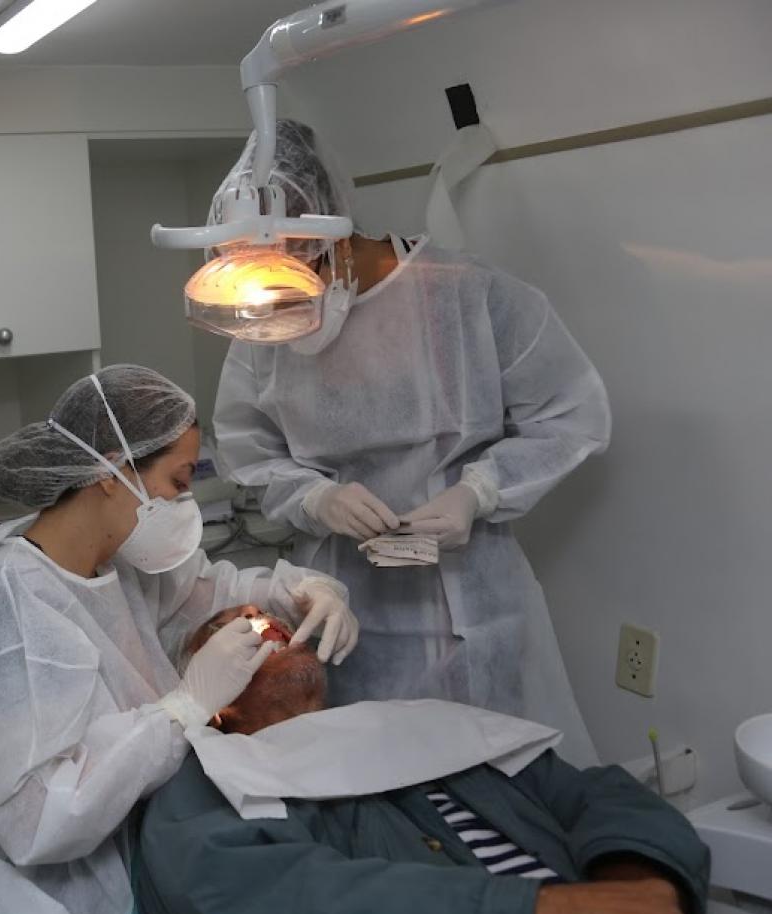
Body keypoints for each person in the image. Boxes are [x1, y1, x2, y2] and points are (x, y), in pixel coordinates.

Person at [0, 364, 358, 914]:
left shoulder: (111, 559)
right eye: (179, 481)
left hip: (134, 835)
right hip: (50, 890)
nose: (184, 502)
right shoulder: (16, 613)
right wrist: (181, 711)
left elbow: (206, 589)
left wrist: (299, 592)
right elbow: (36, 819)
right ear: (113, 472)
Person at [212, 119, 612, 759]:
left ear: (336, 226)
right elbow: (250, 451)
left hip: (469, 607)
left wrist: (478, 492)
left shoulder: (468, 297)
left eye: (303, 261)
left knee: (497, 787)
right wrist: (314, 498)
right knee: (375, 792)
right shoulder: (266, 315)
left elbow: (571, 415)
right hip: (341, 610)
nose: (290, 293)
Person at [134, 607, 712, 914]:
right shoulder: (211, 782)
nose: (272, 627)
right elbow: (267, 900)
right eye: (245, 633)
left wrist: (636, 886)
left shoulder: (420, 727)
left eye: (277, 622)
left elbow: (598, 795)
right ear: (214, 696)